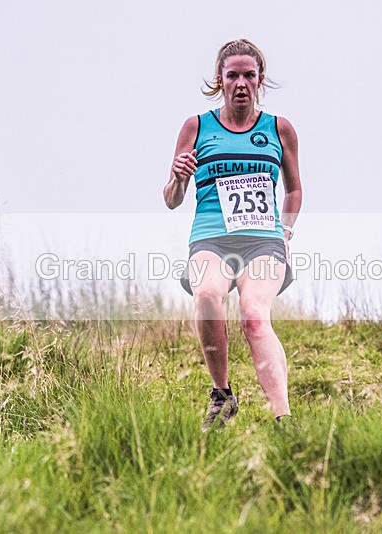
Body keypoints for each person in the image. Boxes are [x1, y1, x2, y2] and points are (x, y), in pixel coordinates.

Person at [163, 39, 302, 429]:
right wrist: (179, 178)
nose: (241, 83)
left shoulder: (279, 129)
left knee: (254, 315)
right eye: (233, 75)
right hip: (210, 237)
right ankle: (222, 395)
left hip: (263, 239)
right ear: (220, 80)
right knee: (207, 295)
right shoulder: (196, 127)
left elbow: (294, 190)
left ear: (260, 80)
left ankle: (284, 418)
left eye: (249, 75)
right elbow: (172, 200)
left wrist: (285, 231)